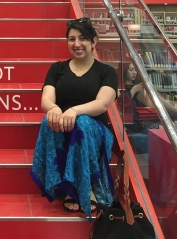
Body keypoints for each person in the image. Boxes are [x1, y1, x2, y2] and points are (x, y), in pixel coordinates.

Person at [30, 17, 118, 220]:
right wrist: (53, 109)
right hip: (63, 126)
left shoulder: (106, 72)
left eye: (83, 38)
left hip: (94, 130)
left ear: (94, 41)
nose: (77, 44)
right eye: (71, 39)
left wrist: (74, 111)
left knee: (82, 123)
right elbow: (46, 99)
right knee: (48, 120)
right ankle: (67, 185)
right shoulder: (57, 69)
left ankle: (84, 188)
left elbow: (102, 104)